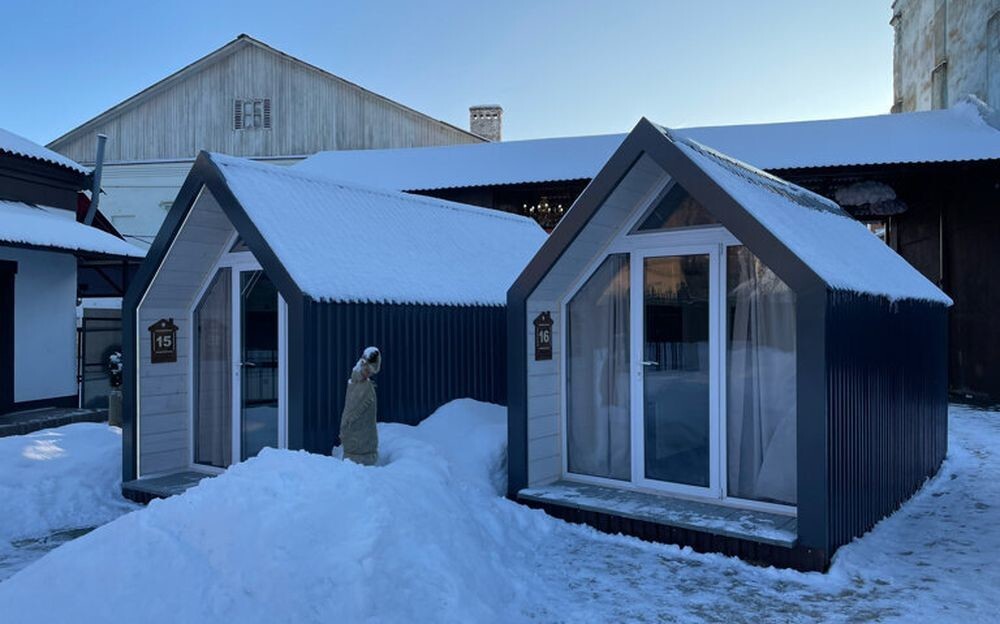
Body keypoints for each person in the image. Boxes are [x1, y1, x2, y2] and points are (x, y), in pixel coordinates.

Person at [339, 347, 381, 465]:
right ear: (363, 365)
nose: (370, 374)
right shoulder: (358, 385)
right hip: (356, 447)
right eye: (369, 370)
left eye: (372, 372)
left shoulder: (361, 384)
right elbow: (349, 412)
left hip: (366, 443)